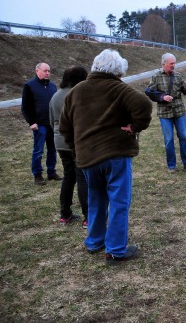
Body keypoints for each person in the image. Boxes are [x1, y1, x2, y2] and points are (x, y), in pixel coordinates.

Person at [60, 49, 152, 265]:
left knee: (96, 200)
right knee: (119, 202)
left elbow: (65, 127)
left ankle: (94, 241)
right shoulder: (119, 88)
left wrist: (77, 149)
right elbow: (145, 104)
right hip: (115, 156)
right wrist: (135, 126)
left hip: (88, 158)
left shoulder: (76, 91)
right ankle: (116, 250)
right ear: (117, 70)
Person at [49, 66, 89, 227]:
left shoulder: (55, 96)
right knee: (82, 179)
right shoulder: (79, 94)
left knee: (68, 177)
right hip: (76, 141)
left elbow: (52, 120)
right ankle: (88, 217)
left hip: (60, 141)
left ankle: (65, 215)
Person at [145, 53, 186, 173]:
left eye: (174, 63)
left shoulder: (178, 75)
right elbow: (149, 92)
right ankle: (171, 166)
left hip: (179, 111)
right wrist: (162, 97)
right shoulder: (156, 77)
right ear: (164, 64)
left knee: (183, 137)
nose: (173, 66)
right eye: (171, 63)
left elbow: (185, 92)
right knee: (169, 140)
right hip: (164, 114)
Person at [21, 62, 61, 185]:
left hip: (51, 124)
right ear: (37, 71)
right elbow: (25, 106)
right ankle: (37, 175)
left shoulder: (53, 87)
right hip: (39, 125)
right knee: (38, 150)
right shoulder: (29, 86)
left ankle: (51, 172)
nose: (47, 73)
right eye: (45, 71)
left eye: (49, 71)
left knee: (52, 149)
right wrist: (31, 122)